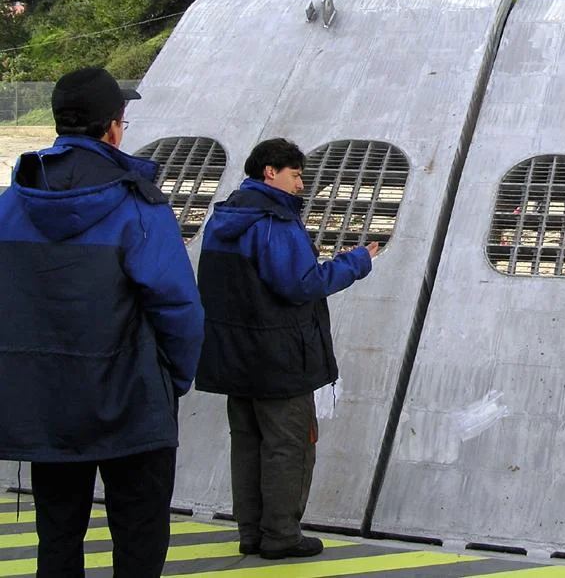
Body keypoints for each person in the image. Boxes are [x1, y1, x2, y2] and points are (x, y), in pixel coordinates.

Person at [0, 67, 205, 578]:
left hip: (47, 404)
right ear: (113, 128)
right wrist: (173, 380)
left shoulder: (11, 204)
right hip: (133, 401)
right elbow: (179, 309)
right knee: (139, 537)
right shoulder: (138, 205)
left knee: (57, 535)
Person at [195, 138, 377, 560]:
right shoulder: (273, 221)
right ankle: (280, 535)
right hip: (280, 357)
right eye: (295, 175)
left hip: (235, 357)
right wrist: (355, 262)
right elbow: (302, 284)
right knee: (288, 445)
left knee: (247, 444)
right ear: (270, 172)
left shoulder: (224, 218)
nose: (301, 185)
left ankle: (251, 533)